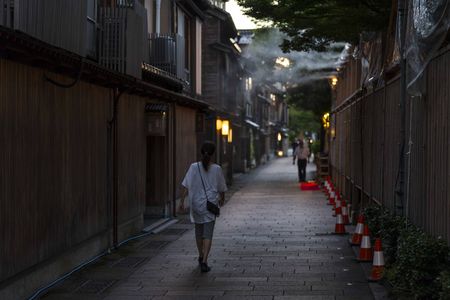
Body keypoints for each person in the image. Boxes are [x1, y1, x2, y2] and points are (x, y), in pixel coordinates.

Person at [179, 141, 227, 272]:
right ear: (212, 154)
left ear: (201, 152)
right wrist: (222, 199)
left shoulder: (194, 167)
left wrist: (182, 202)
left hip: (196, 205)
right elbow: (222, 188)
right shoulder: (217, 169)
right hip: (210, 205)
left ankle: (200, 255)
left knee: (198, 233)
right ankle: (205, 261)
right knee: (208, 234)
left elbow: (185, 185)